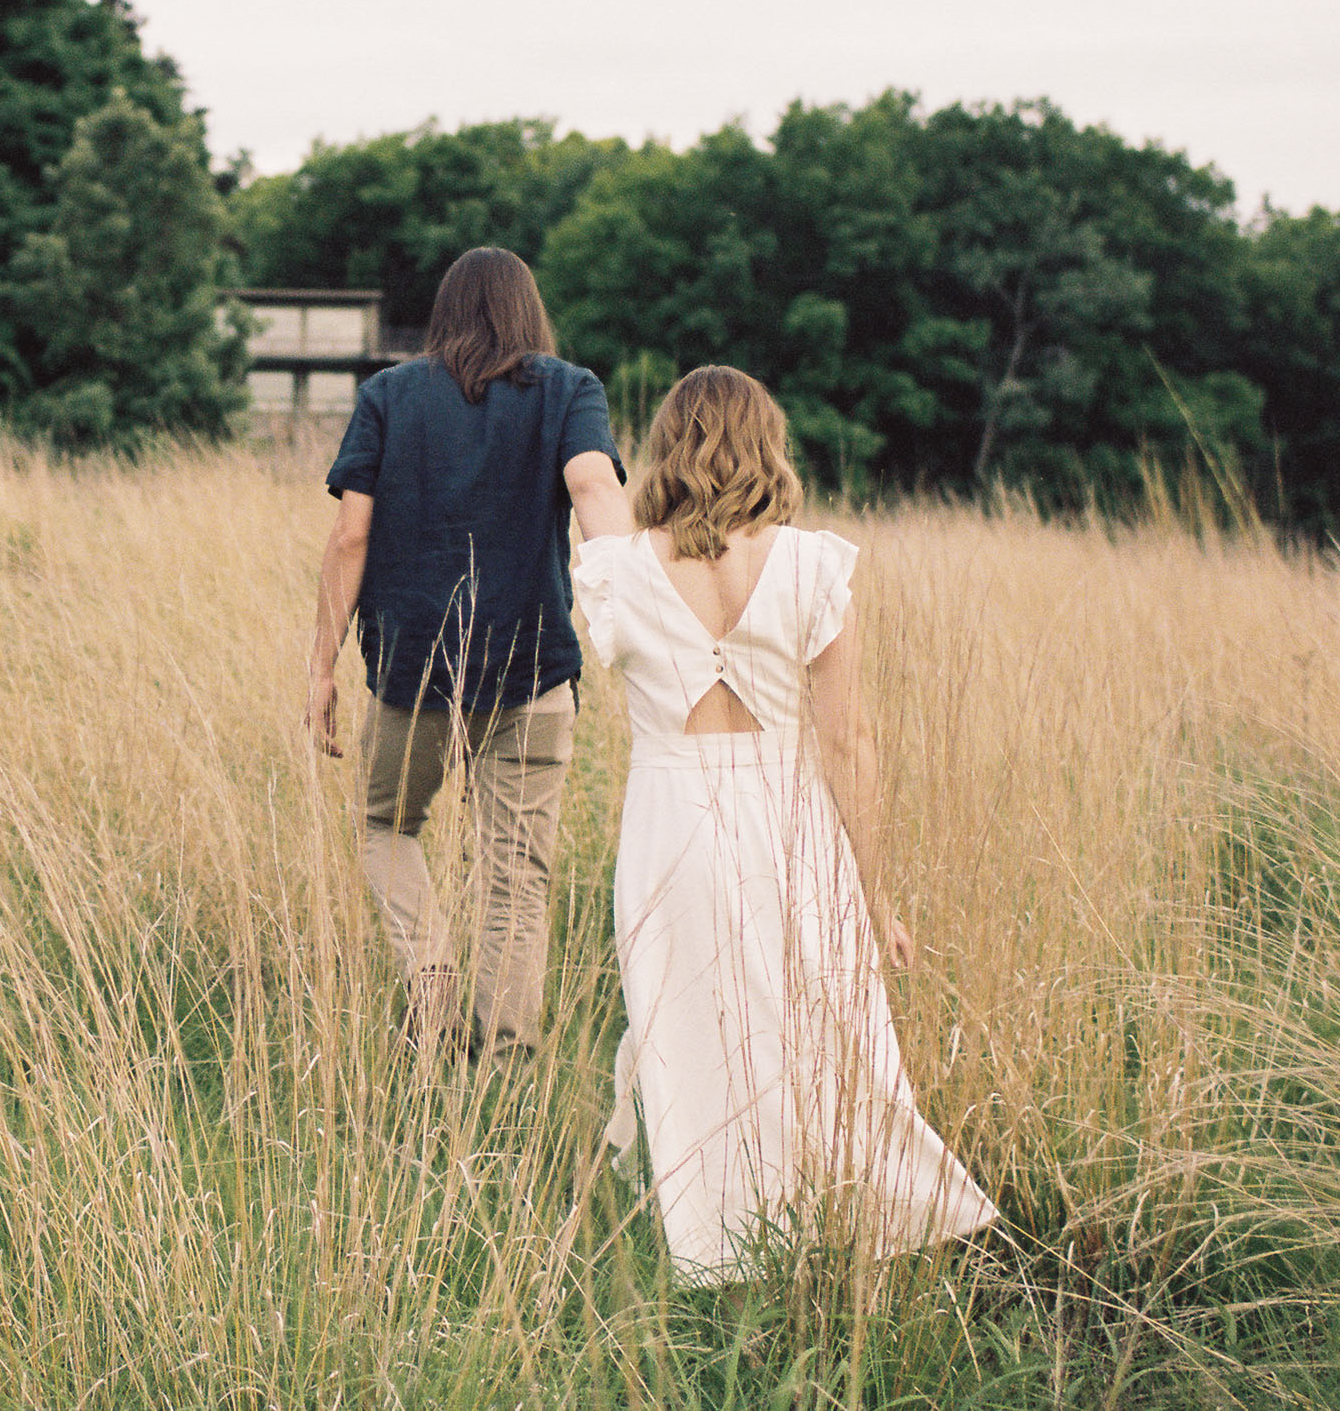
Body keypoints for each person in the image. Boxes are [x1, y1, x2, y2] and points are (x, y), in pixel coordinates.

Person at [572, 365, 996, 1281]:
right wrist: (876, 896)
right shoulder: (810, 565)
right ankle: (857, 1224)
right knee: (831, 1031)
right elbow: (848, 745)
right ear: (769, 444)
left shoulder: (618, 569)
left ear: (666, 448)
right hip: (790, 820)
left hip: (669, 828)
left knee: (691, 1038)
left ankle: (725, 1251)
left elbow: (591, 499)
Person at [306, 246, 632, 1059]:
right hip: (534, 669)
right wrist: (638, 604)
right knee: (517, 872)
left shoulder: (386, 396)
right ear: (529, 311)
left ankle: (433, 979)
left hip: (412, 669)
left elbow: (351, 535)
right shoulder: (568, 390)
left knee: (386, 825)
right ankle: (508, 1058)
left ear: (445, 311)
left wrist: (321, 666)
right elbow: (593, 485)